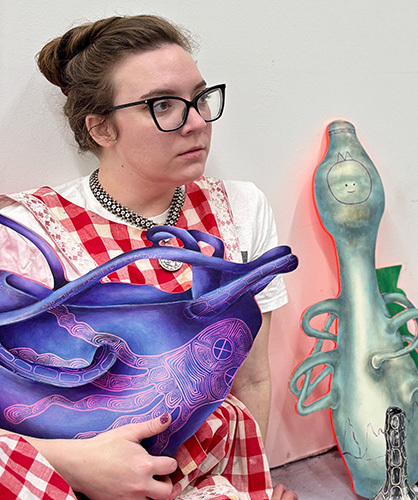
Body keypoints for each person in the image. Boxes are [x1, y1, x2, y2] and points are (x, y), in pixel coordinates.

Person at [0, 14, 298, 500]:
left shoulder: (240, 209)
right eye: (164, 106)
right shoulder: (33, 231)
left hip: (203, 476)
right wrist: (73, 465)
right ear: (100, 127)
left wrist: (252, 487)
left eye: (200, 99)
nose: (198, 122)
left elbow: (253, 376)